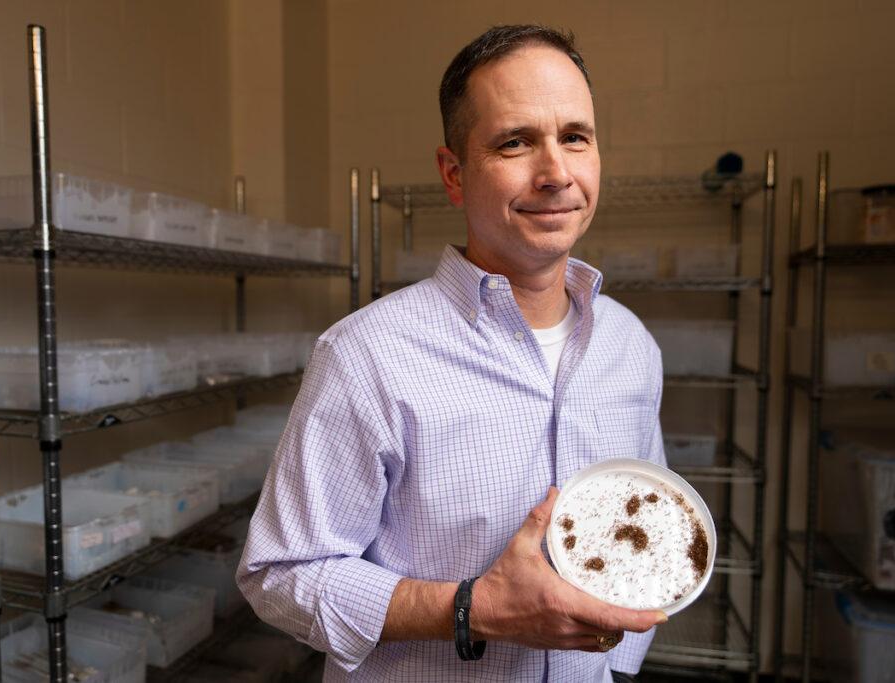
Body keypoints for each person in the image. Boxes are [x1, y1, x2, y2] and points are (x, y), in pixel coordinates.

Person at [237, 24, 668, 682]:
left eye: (575, 136)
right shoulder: (368, 355)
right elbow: (278, 575)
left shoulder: (630, 346)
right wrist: (472, 608)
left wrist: (620, 653)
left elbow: (645, 519)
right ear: (454, 174)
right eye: (515, 142)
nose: (556, 173)